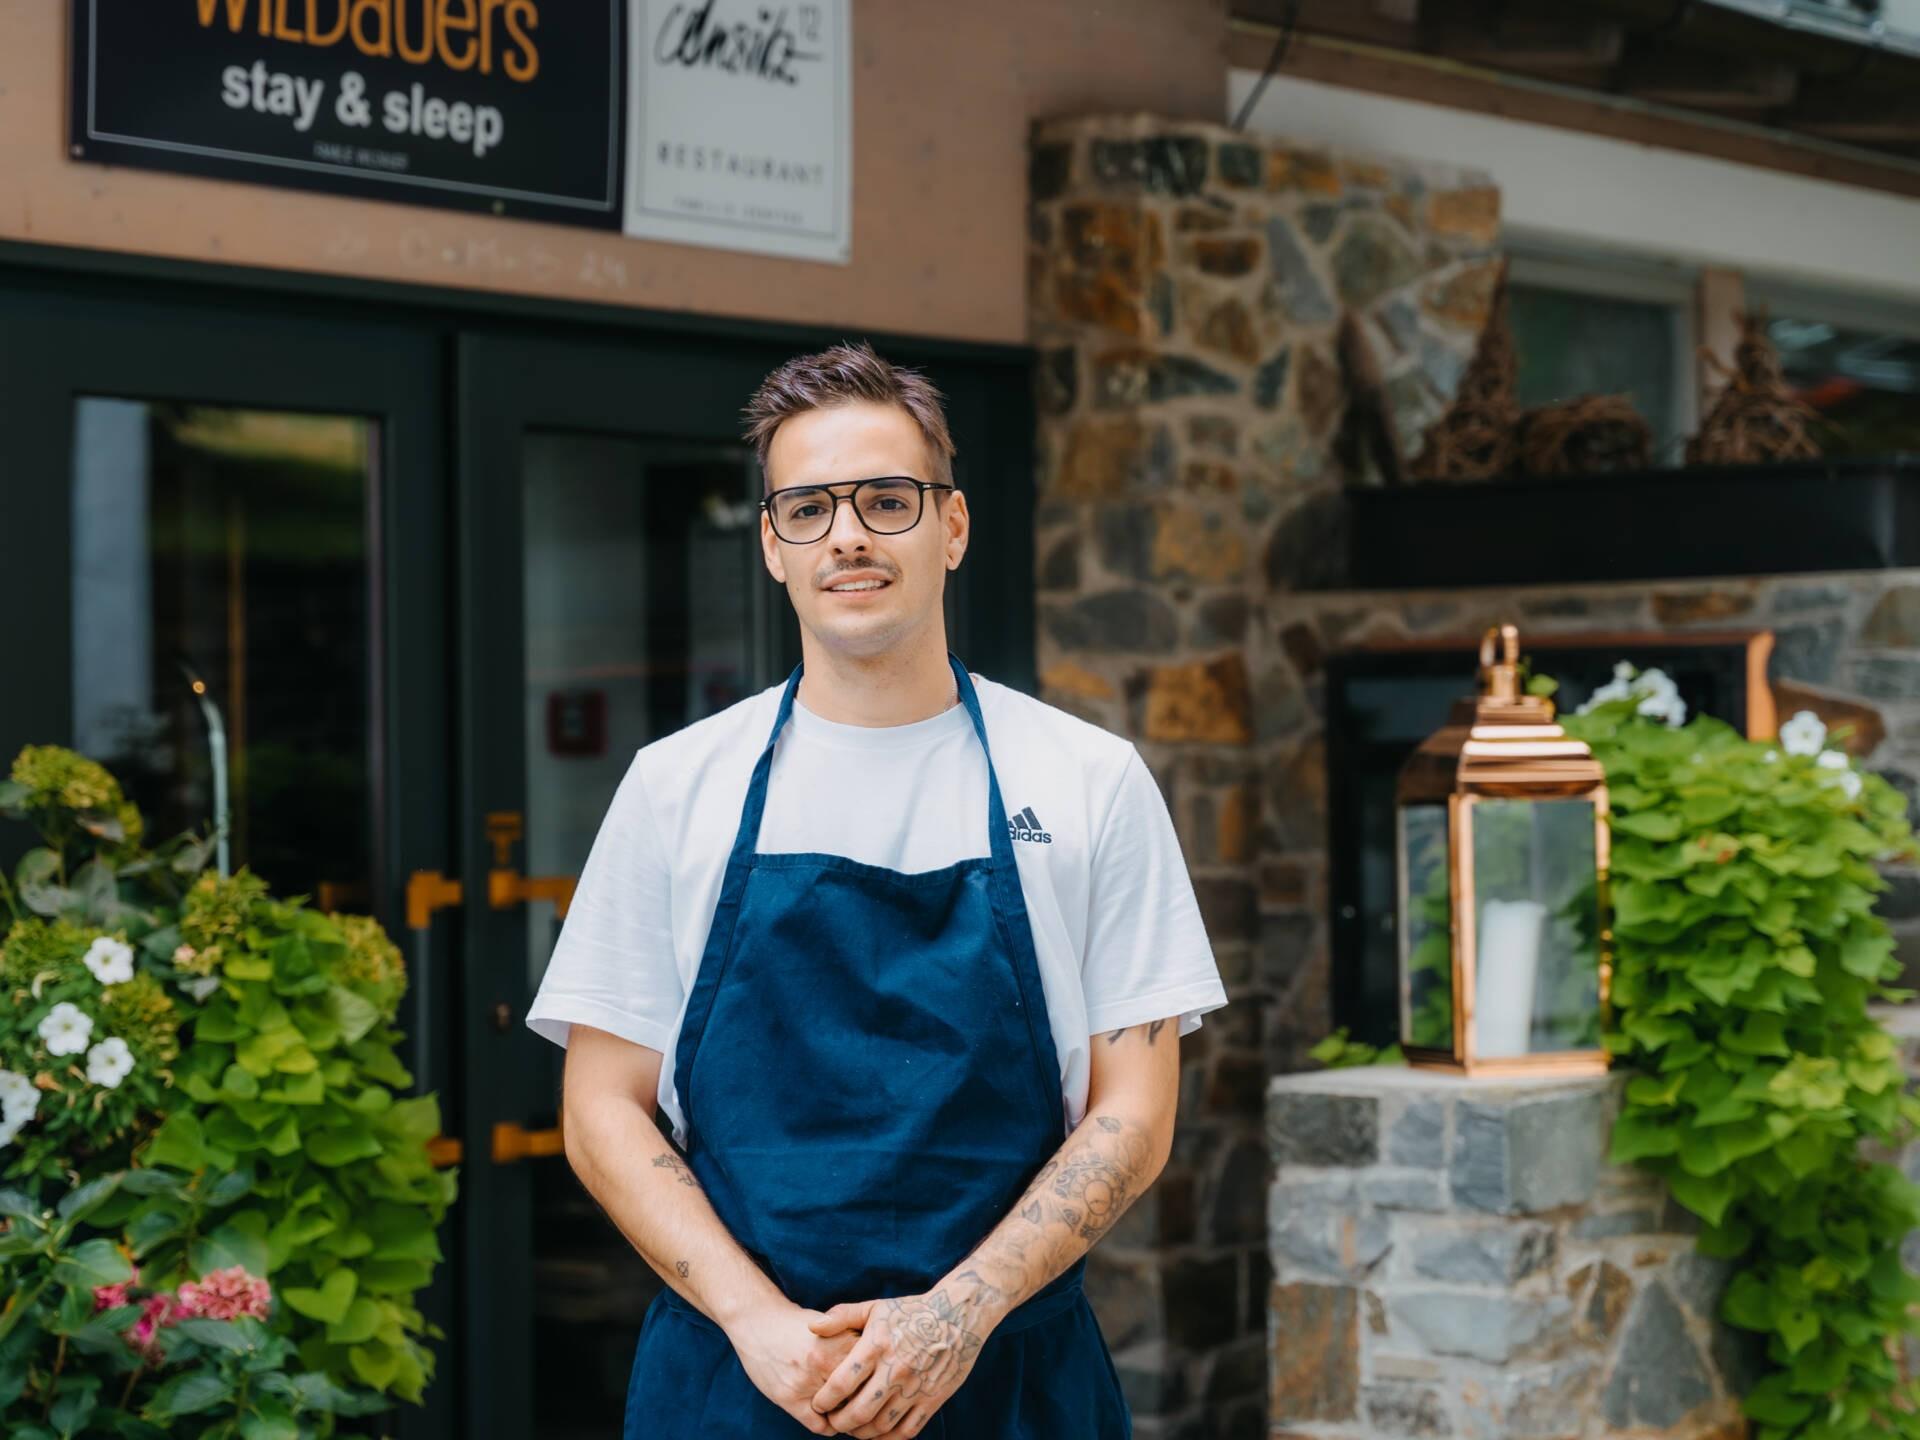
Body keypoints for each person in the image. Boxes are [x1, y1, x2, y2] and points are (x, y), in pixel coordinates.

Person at [526, 342, 1227, 1438]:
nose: (846, 535)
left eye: (886, 500)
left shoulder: (1088, 781)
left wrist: (960, 1313)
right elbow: (601, 1108)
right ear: (771, 545)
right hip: (739, 1385)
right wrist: (760, 1326)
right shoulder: (676, 789)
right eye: (806, 509)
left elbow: (1134, 1113)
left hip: (1009, 1384)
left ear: (952, 527)